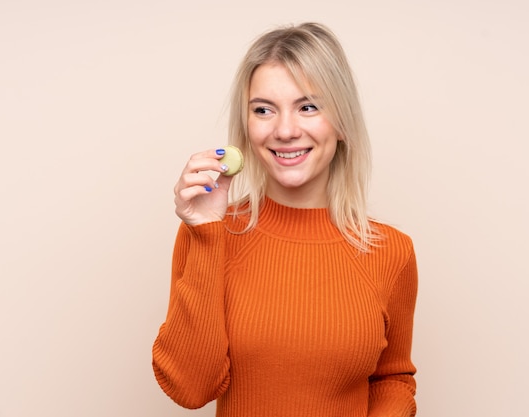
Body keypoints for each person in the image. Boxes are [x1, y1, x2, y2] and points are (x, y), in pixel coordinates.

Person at [152, 22, 418, 417]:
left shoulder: (392, 251)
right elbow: (191, 389)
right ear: (247, 125)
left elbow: (392, 379)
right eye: (264, 110)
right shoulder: (209, 230)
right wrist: (207, 233)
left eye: (308, 106)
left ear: (342, 122)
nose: (285, 130)